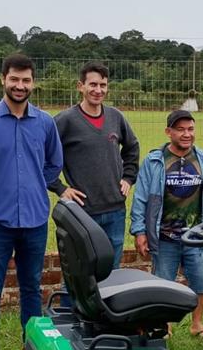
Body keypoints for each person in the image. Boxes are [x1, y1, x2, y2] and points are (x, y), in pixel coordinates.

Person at [0, 53, 63, 350]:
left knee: (31, 287)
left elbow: (54, 164)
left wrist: (36, 182)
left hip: (35, 218)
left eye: (25, 80)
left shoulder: (45, 123)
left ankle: (31, 347)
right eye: (14, 79)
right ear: (3, 80)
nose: (19, 86)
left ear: (33, 82)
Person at [130, 110, 203, 339]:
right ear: (168, 132)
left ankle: (197, 324)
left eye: (190, 129)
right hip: (164, 236)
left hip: (196, 234)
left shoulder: (202, 159)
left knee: (202, 282)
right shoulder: (154, 161)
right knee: (163, 283)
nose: (186, 134)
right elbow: (141, 198)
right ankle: (165, 325)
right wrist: (139, 231)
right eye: (180, 129)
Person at [52, 62, 140, 269]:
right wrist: (60, 188)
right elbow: (42, 157)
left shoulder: (115, 117)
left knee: (111, 270)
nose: (98, 90)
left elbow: (132, 148)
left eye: (103, 85)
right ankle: (73, 303)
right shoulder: (65, 121)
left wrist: (128, 177)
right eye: (92, 85)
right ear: (80, 86)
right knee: (79, 269)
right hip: (82, 211)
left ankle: (108, 303)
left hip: (115, 210)